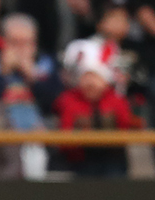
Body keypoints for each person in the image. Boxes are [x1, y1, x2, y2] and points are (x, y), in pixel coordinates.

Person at [54, 39, 142, 177]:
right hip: (79, 163)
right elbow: (65, 135)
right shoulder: (68, 100)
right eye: (86, 77)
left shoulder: (117, 101)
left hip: (113, 162)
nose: (90, 82)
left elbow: (126, 128)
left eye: (95, 77)